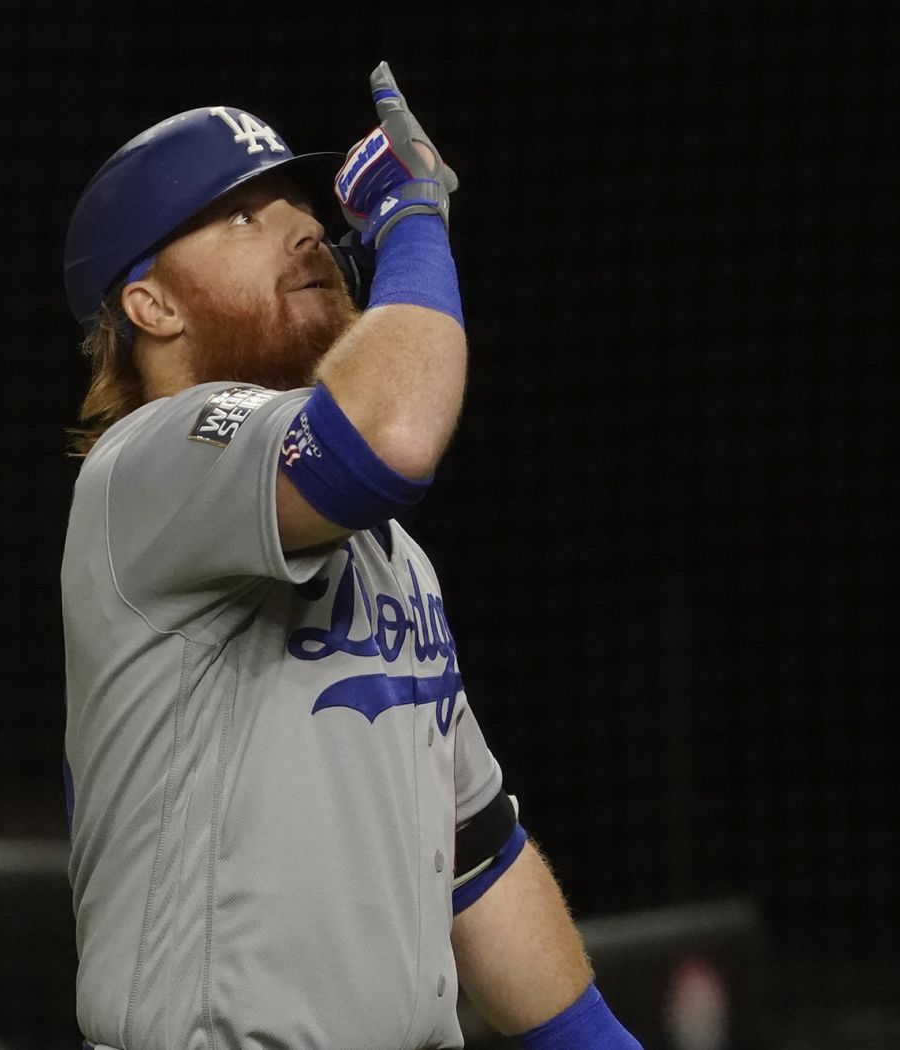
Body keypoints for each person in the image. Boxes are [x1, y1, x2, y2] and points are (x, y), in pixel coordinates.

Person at [59, 63, 640, 1050]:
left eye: (298, 202)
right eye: (242, 215)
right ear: (151, 306)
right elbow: (390, 438)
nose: (303, 227)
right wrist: (414, 218)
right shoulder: (148, 469)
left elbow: (472, 858)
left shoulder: (385, 552)